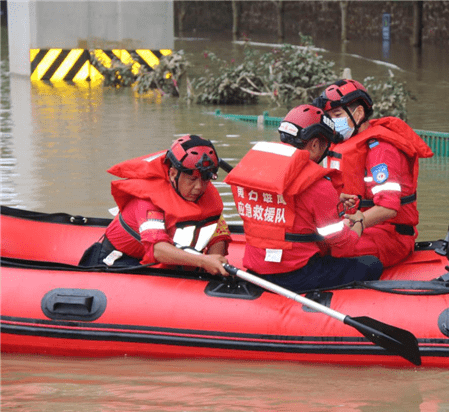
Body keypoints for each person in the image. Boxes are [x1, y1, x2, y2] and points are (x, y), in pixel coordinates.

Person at [224, 104, 383, 292]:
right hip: (296, 275)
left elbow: (285, 203)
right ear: (315, 144)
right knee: (372, 264)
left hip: (256, 269)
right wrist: (359, 223)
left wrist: (333, 199)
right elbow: (342, 246)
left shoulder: (251, 172)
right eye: (325, 145)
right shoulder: (319, 186)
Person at [313, 79, 434, 267]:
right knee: (308, 242)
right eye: (329, 116)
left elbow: (388, 207)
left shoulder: (381, 150)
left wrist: (353, 226)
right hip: (357, 225)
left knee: (331, 250)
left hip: (390, 235)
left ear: (359, 113)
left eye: (336, 114)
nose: (332, 122)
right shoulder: (342, 144)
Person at [79, 135, 231, 276]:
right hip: (122, 260)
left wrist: (214, 262)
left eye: (204, 180)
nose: (199, 187)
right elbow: (157, 249)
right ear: (173, 174)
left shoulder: (206, 193)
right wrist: (203, 261)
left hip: (171, 259)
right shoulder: (148, 200)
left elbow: (218, 232)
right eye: (191, 180)